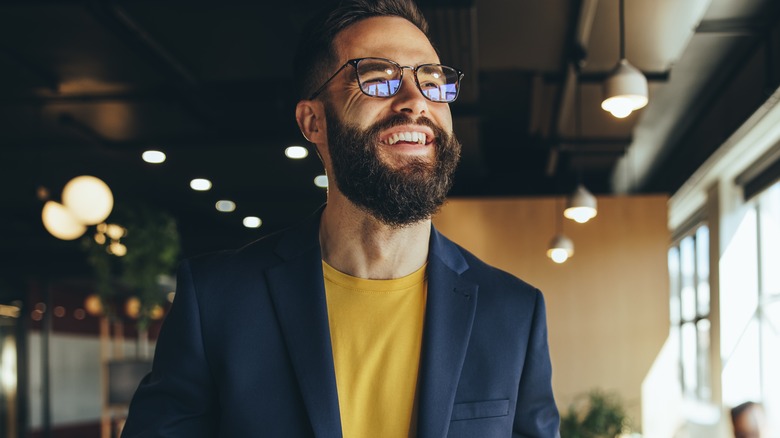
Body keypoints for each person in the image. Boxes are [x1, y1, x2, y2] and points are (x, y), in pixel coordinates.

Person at [121, 0, 560, 436]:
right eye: (377, 78)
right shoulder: (216, 302)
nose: (415, 101)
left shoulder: (514, 313)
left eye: (431, 80)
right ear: (313, 122)